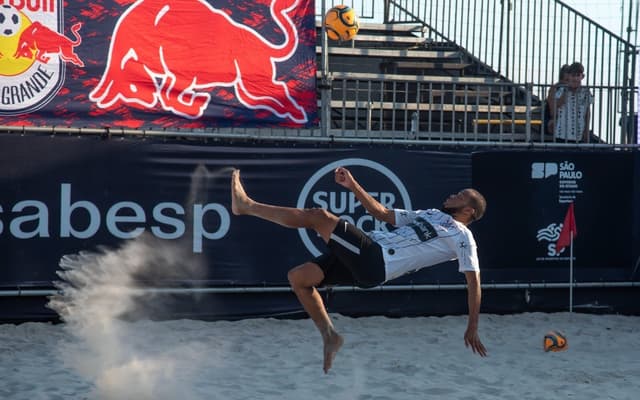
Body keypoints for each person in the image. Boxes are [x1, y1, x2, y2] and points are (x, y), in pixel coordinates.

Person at [230, 167, 488, 373]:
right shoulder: (432, 214)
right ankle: (330, 335)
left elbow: (474, 282)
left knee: (319, 216)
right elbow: (383, 213)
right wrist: (353, 185)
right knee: (299, 278)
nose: (452, 195)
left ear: (468, 210)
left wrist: (472, 326)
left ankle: (247, 206)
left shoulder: (463, 237)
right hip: (371, 254)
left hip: (378, 261)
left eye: (459, 196)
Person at [546, 62, 594, 142]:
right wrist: (566, 90)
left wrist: (586, 130)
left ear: (582, 76)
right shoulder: (561, 90)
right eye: (573, 75)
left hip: (578, 134)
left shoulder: (586, 92)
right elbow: (554, 107)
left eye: (578, 75)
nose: (575, 78)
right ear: (569, 76)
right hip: (561, 135)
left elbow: (587, 112)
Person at [545, 64, 570, 135]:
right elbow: (553, 109)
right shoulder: (555, 88)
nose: (568, 75)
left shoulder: (574, 89)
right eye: (567, 72)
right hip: (554, 118)